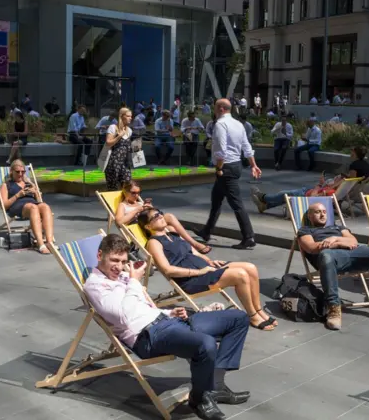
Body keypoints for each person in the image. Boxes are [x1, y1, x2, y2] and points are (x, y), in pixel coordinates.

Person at [84, 234, 251, 420]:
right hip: (148, 336)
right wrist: (133, 281)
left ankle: (216, 384)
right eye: (114, 260)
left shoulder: (124, 276)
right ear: (100, 255)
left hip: (168, 322)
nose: (119, 266)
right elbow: (122, 317)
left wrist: (169, 313)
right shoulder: (95, 286)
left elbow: (143, 307)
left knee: (238, 318)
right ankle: (199, 399)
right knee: (206, 344)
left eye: (123, 261)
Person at [138, 208, 277, 331]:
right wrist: (200, 272)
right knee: (240, 275)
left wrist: (210, 261)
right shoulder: (153, 243)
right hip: (192, 279)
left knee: (251, 268)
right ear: (148, 226)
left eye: (160, 213)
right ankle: (252, 315)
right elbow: (167, 270)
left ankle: (258, 310)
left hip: (205, 268)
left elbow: (192, 251)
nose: (161, 217)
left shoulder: (172, 233)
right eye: (155, 217)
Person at [297, 202, 369, 330]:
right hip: (332, 258)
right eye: (317, 212)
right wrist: (340, 243)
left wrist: (333, 239)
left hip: (354, 253)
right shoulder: (305, 230)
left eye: (324, 212)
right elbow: (312, 248)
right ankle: (333, 308)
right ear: (310, 216)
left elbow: (353, 241)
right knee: (326, 254)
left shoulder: (338, 227)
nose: (322, 215)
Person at [197, 99, 261, 250]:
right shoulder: (238, 124)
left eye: (214, 107)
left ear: (219, 108)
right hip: (236, 165)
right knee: (216, 199)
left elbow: (221, 150)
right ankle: (207, 231)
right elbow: (246, 146)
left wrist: (219, 168)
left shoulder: (220, 124)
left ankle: (248, 236)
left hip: (226, 167)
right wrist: (253, 164)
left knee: (236, 203)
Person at [116, 180, 211, 254]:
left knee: (171, 229)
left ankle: (189, 249)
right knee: (169, 218)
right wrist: (137, 210)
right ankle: (193, 244)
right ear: (125, 191)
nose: (136, 195)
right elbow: (119, 222)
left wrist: (151, 209)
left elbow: (154, 214)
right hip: (142, 228)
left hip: (151, 224)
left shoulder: (140, 203)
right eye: (133, 193)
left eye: (138, 193)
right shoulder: (123, 205)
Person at [0, 160, 54, 254]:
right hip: (16, 207)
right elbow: (4, 205)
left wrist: (36, 193)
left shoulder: (28, 183)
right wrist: (18, 195)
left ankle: (49, 243)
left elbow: (39, 202)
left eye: (23, 171)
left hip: (33, 205)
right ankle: (41, 244)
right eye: (17, 172)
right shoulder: (6, 185)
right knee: (33, 207)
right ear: (11, 171)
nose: (20, 174)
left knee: (45, 206)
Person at [250, 174, 344, 213]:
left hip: (304, 196)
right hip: (306, 191)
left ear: (339, 183)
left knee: (283, 194)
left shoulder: (331, 192)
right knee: (283, 196)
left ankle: (262, 197)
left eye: (337, 178)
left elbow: (313, 197)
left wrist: (319, 185)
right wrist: (323, 184)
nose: (335, 178)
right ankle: (264, 207)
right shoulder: (332, 188)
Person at [103, 108, 133, 191]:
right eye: (128, 116)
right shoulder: (113, 127)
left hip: (125, 162)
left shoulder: (129, 130)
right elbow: (108, 143)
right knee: (113, 187)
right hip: (114, 161)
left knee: (127, 185)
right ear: (121, 116)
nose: (130, 118)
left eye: (131, 116)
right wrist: (119, 136)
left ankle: (125, 203)